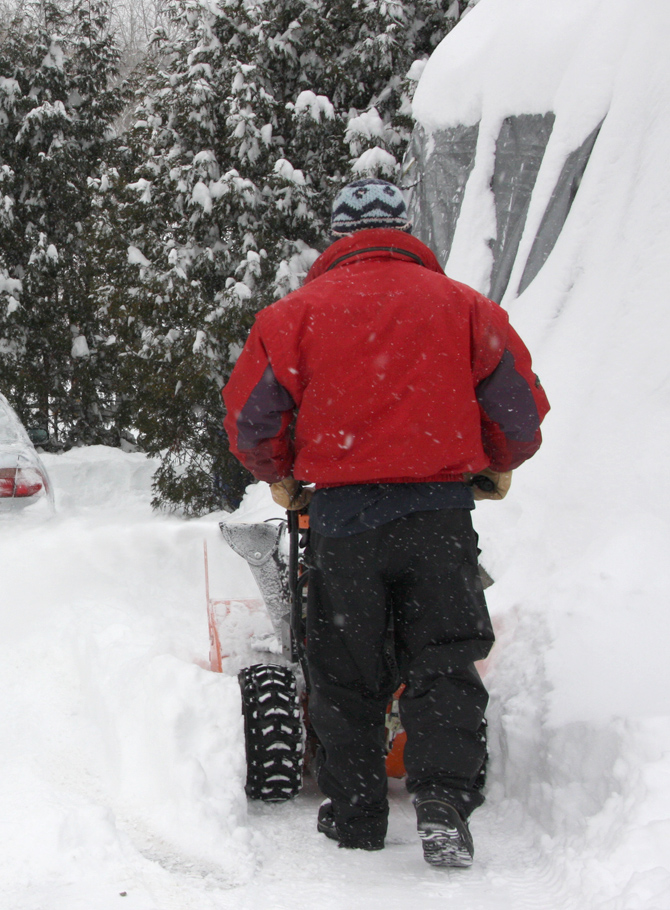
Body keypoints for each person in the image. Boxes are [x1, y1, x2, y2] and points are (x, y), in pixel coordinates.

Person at [222, 177, 549, 867]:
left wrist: (281, 472)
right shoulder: (467, 308)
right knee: (444, 657)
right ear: (404, 231)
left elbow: (253, 421)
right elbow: (519, 411)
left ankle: (357, 813)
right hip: (439, 517)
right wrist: (494, 461)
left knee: (344, 667)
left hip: (343, 522)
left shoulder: (291, 317)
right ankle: (443, 800)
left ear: (340, 236)